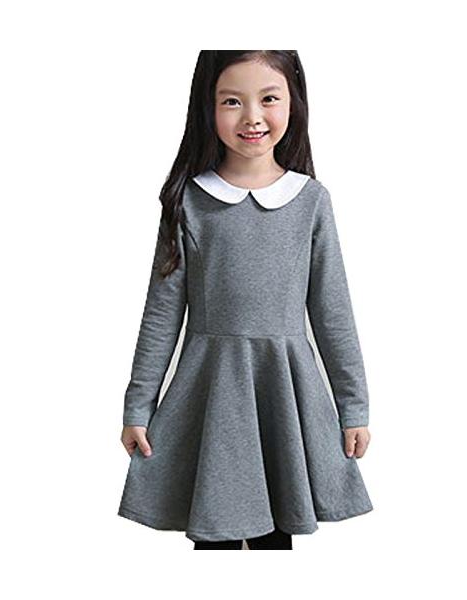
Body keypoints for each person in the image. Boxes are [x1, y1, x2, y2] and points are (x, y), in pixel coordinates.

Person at [118, 51, 373, 550]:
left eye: (269, 99)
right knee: (213, 526)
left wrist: (353, 407)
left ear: (293, 103)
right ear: (207, 107)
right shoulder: (188, 200)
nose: (252, 117)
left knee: (278, 532)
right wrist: (138, 405)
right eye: (232, 101)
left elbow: (333, 312)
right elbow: (161, 315)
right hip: (209, 392)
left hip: (286, 392)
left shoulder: (310, 201)